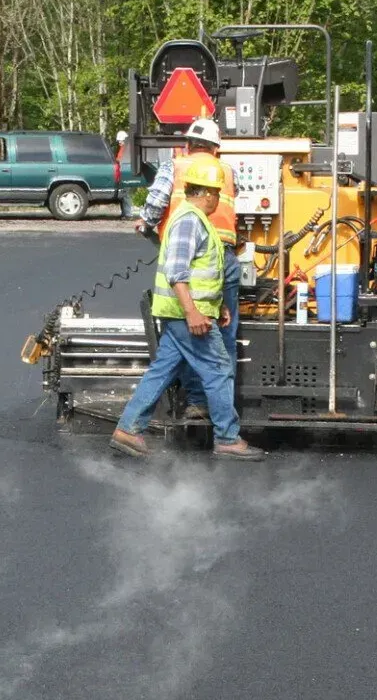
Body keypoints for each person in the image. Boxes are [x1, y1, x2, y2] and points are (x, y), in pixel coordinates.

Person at [111, 156, 265, 461]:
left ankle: (129, 428)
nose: (218, 200)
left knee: (163, 369)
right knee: (220, 369)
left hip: (185, 314)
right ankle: (227, 438)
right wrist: (194, 312)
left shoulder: (193, 219)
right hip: (186, 316)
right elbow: (177, 272)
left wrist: (216, 306)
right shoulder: (189, 222)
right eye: (217, 194)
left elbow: (202, 273)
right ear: (207, 193)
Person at [135, 116, 241, 421]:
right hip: (225, 258)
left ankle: (196, 402)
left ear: (188, 144)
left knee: (187, 333)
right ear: (216, 148)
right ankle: (222, 410)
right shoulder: (228, 172)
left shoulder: (175, 166)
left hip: (189, 253)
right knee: (223, 336)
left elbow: (155, 204)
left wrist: (147, 223)